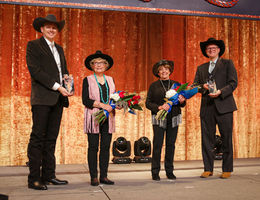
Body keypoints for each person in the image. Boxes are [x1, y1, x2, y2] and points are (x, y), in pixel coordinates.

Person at [26, 14, 73, 190]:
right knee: (38, 138)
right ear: (42, 29)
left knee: (51, 138)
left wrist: (67, 81)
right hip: (43, 98)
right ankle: (34, 179)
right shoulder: (33, 46)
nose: (52, 30)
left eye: (54, 27)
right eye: (48, 27)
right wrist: (57, 86)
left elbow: (63, 70)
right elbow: (35, 71)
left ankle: (48, 175)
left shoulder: (59, 49)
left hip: (58, 99)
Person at [193, 38, 238, 179]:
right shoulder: (201, 68)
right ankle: (208, 168)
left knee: (226, 138)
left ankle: (227, 169)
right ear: (206, 52)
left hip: (224, 106)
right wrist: (203, 87)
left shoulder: (227, 64)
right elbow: (195, 85)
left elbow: (233, 83)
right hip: (207, 107)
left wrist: (221, 92)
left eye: (213, 48)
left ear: (219, 50)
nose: (211, 50)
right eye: (208, 49)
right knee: (206, 139)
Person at [146, 60, 186, 181]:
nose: (164, 71)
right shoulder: (154, 85)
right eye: (161, 70)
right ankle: (155, 172)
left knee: (170, 145)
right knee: (157, 144)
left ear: (170, 71)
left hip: (173, 117)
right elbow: (148, 103)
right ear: (158, 72)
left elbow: (182, 104)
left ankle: (169, 171)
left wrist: (182, 100)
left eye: (166, 69)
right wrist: (159, 107)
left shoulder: (176, 85)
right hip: (159, 118)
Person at [82, 50, 116, 186]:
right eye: (96, 63)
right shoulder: (88, 80)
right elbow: (86, 100)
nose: (99, 65)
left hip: (109, 117)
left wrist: (117, 105)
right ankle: (93, 177)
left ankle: (104, 176)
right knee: (93, 147)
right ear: (92, 65)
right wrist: (103, 105)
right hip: (94, 116)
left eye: (102, 62)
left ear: (106, 65)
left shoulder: (111, 80)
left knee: (106, 147)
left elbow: (114, 98)